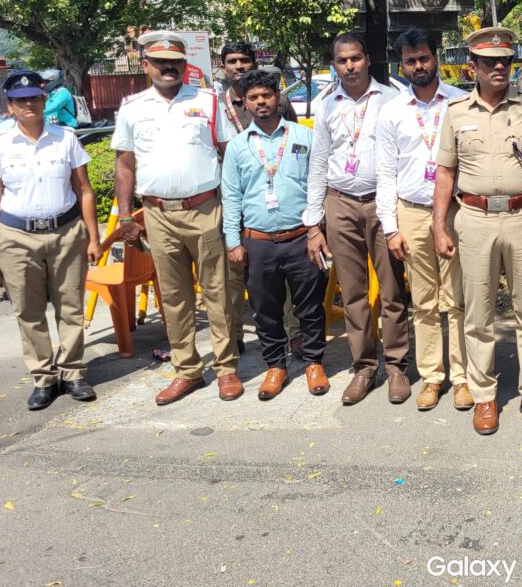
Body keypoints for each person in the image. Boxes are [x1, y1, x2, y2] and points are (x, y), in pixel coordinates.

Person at [432, 25, 522, 436]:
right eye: (489, 62)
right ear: (472, 65)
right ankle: (484, 396)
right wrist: (439, 226)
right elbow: (445, 173)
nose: (499, 68)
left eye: (505, 61)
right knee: (478, 313)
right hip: (474, 220)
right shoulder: (456, 112)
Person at [112, 30, 243, 405]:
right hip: (157, 214)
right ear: (146, 65)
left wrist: (235, 207)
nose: (169, 68)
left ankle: (226, 368)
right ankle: (187, 371)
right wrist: (126, 216)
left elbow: (229, 154)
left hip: (205, 209)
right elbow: (125, 165)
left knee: (217, 291)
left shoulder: (208, 101)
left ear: (185, 65)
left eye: (176, 62)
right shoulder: (132, 108)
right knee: (174, 297)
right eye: (161, 62)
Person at [0, 71, 101, 410]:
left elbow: (84, 190)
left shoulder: (65, 139)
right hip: (16, 238)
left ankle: (73, 373)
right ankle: (44, 378)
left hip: (66, 232)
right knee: (28, 311)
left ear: (44, 101)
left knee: (70, 307)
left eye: (34, 97)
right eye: (21, 100)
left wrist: (93, 236)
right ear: (10, 106)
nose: (28, 104)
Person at [305, 32, 409, 406]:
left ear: (367, 59)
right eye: (342, 60)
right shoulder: (325, 105)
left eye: (356, 58)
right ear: (334, 64)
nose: (350, 66)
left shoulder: (392, 99)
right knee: (352, 293)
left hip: (382, 203)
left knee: (392, 290)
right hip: (340, 204)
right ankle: (364, 367)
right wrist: (313, 224)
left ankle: (397, 367)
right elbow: (318, 163)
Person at [375, 28, 471, 413]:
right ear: (402, 65)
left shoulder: (461, 102)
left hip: (456, 212)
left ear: (436, 58)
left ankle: (462, 377)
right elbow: (385, 173)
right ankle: (432, 376)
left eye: (424, 58)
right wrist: (391, 228)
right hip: (412, 212)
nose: (418, 66)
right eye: (410, 60)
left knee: (458, 298)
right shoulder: (392, 110)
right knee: (425, 301)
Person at [221, 70, 328, 401]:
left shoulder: (304, 136)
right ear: (245, 102)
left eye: (266, 95)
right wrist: (233, 241)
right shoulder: (238, 146)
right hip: (259, 241)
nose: (261, 102)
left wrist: (317, 229)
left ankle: (314, 362)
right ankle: (275, 366)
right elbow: (231, 196)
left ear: (278, 97)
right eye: (253, 97)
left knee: (309, 306)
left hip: (301, 237)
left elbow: (318, 183)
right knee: (265, 310)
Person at [215, 41, 297, 132]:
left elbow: (295, 135)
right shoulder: (218, 104)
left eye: (244, 60)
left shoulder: (279, 101)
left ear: (255, 66)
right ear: (223, 69)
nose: (239, 66)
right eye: (232, 61)